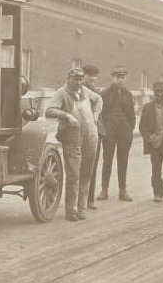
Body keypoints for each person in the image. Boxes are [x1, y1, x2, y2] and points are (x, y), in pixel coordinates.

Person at [45, 66, 102, 221]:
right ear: (68, 79)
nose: (78, 82)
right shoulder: (61, 93)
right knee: (74, 174)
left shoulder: (85, 91)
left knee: (86, 172)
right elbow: (49, 110)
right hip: (72, 137)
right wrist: (66, 116)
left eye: (80, 79)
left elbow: (99, 100)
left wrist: (96, 115)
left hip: (91, 135)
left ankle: (82, 208)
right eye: (75, 79)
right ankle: (71, 210)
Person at [96, 67, 136, 202]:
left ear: (125, 79)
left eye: (122, 77)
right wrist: (104, 130)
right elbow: (100, 114)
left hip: (124, 131)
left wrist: (129, 130)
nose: (120, 80)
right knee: (107, 160)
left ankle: (122, 190)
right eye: (118, 77)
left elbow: (132, 115)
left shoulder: (128, 95)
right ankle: (104, 189)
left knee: (123, 160)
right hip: (109, 131)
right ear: (113, 78)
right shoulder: (105, 94)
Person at [81, 64, 103, 210]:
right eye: (90, 75)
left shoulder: (97, 93)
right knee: (78, 166)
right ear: (84, 76)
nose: (93, 78)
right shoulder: (79, 90)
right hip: (80, 131)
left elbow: (101, 111)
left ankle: (89, 199)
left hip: (94, 132)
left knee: (92, 166)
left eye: (95, 76)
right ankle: (77, 199)